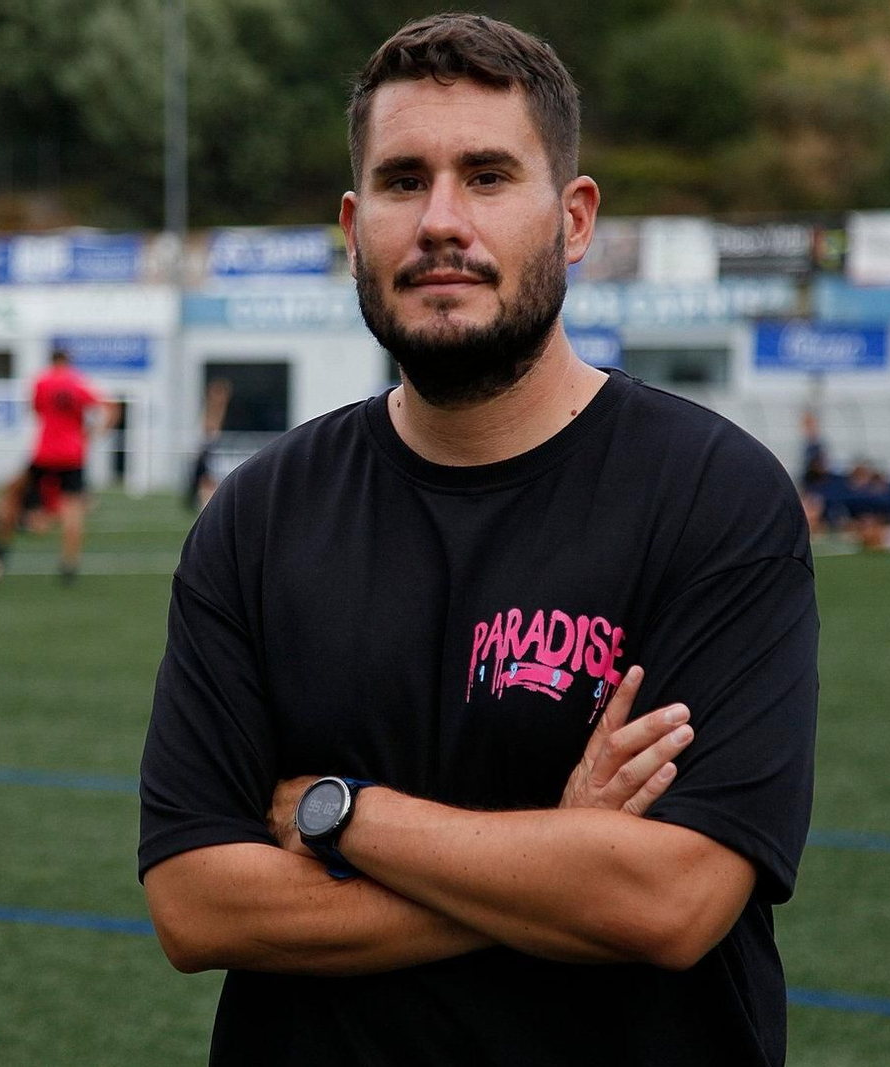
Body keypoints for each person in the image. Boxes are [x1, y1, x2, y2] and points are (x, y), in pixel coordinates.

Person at [138, 15, 818, 1067]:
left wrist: (342, 814)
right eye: (405, 181)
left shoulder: (712, 496)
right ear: (355, 223)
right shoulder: (257, 516)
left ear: (574, 217)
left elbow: (671, 897)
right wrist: (557, 849)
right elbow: (195, 902)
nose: (440, 221)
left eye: (489, 176)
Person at [0, 348, 117, 582]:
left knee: (13, 494)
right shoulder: (78, 383)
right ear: (68, 361)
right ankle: (69, 564)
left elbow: (35, 409)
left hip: (45, 452)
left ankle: (0, 546)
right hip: (73, 454)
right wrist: (94, 433)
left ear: (52, 361)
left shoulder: (42, 382)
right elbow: (111, 407)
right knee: (72, 509)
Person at [185, 378, 233, 511]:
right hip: (204, 448)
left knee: (207, 479)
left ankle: (204, 503)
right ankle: (204, 504)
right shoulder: (210, 411)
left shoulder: (215, 410)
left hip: (207, 447)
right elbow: (210, 427)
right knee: (205, 479)